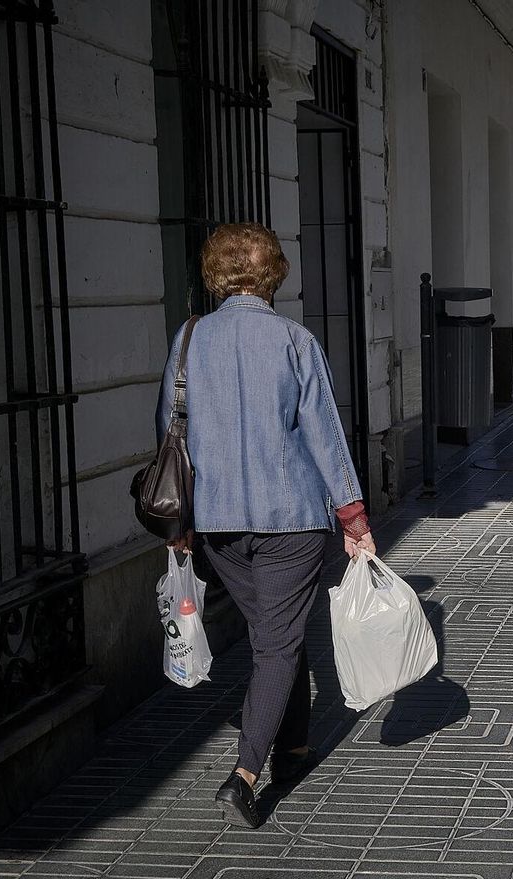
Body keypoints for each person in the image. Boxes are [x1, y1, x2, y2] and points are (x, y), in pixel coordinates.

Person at [155, 223, 375, 828]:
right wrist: (353, 514)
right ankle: (246, 775)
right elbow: (325, 435)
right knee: (277, 641)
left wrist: (179, 523)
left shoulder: (188, 339)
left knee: (278, 627)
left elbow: (170, 431)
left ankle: (294, 747)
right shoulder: (294, 342)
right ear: (273, 273)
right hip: (292, 519)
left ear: (217, 273)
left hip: (218, 522)